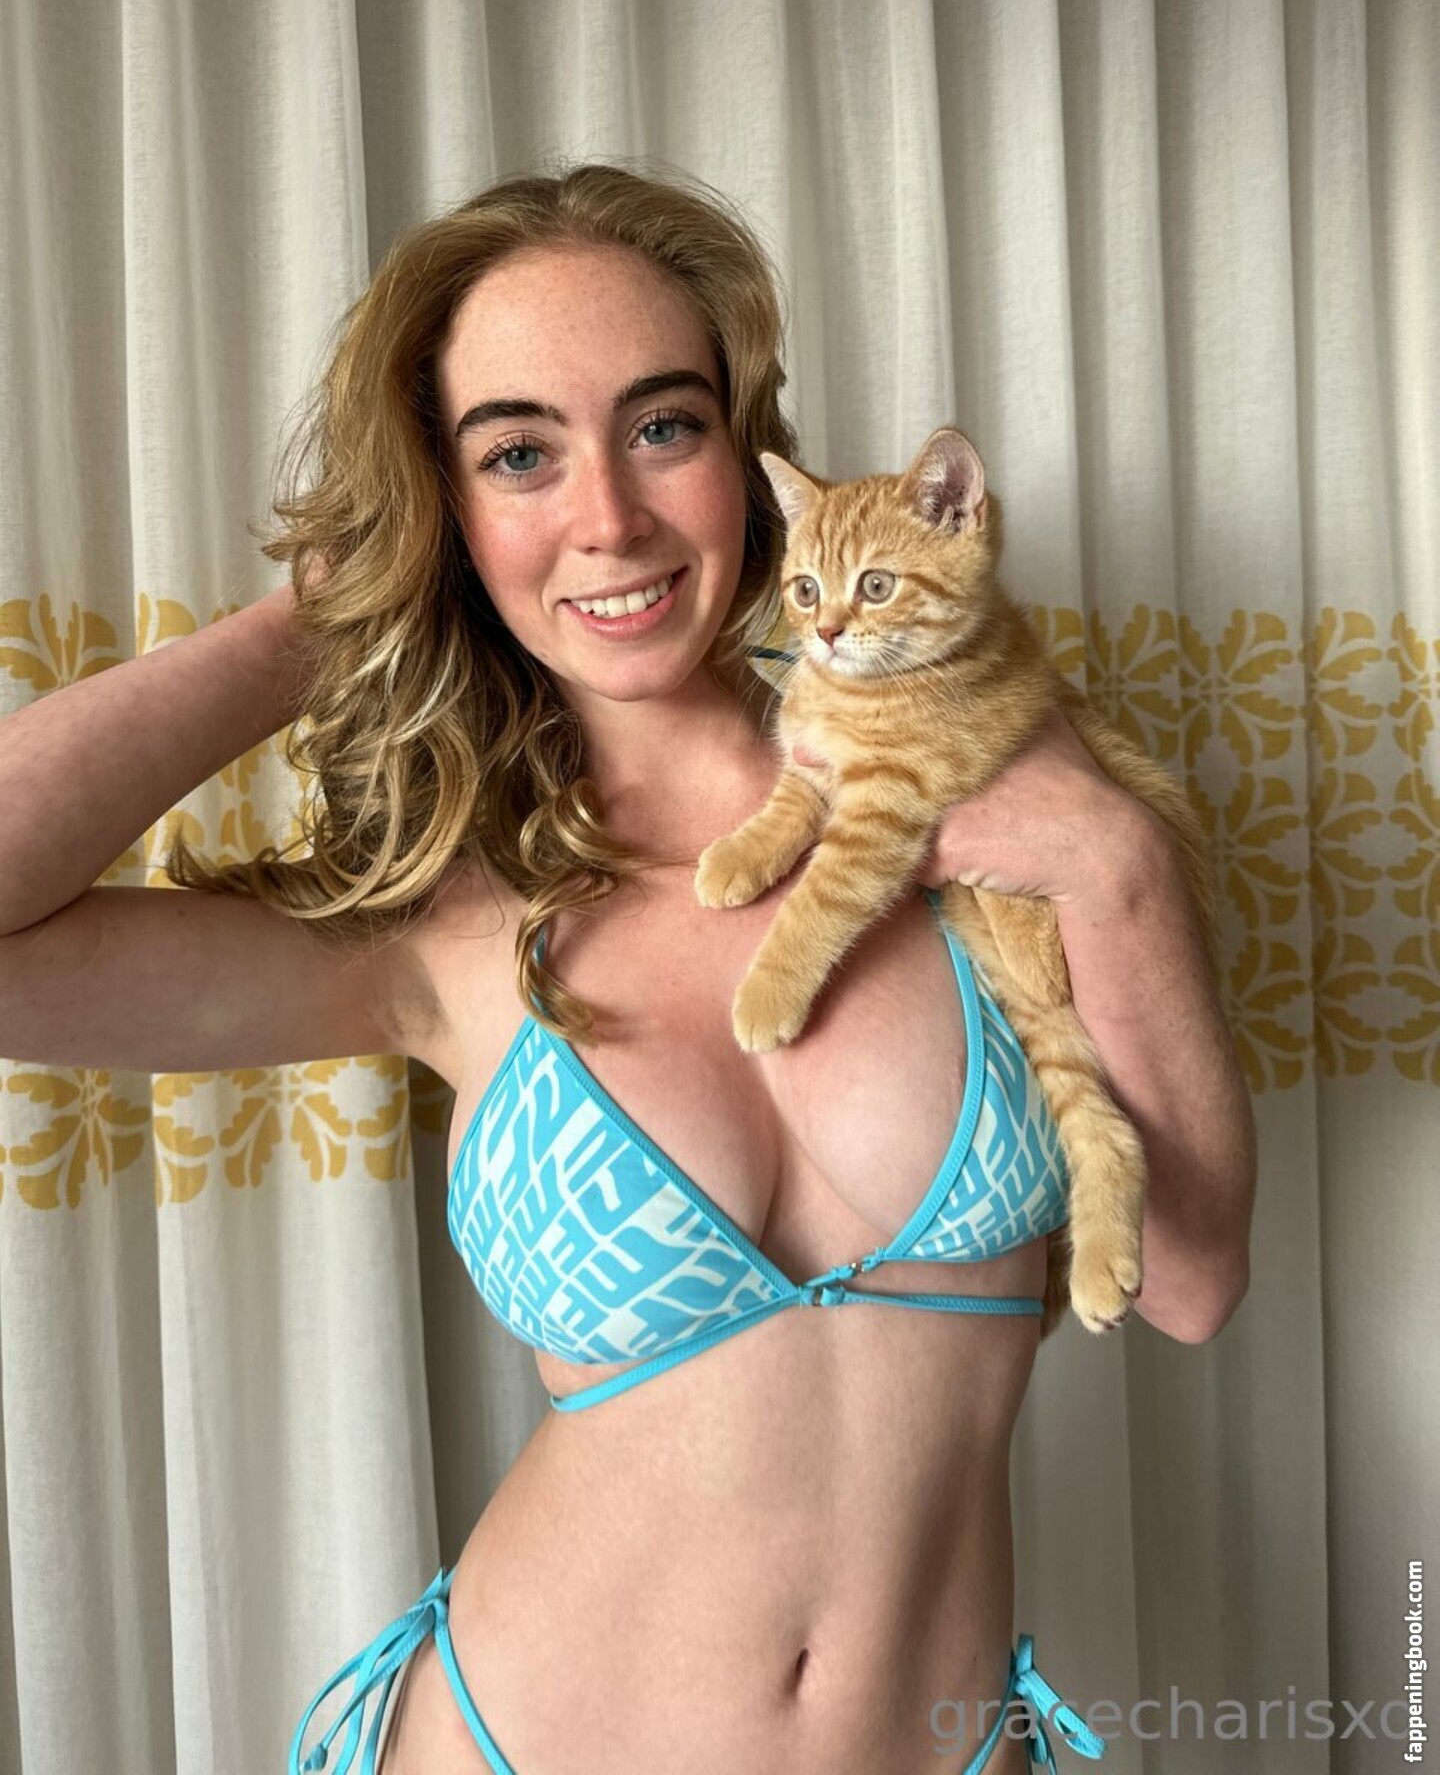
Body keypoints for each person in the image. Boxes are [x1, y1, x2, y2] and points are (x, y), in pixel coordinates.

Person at [0, 163, 1256, 1775]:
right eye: (517, 455)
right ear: (449, 512)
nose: (609, 517)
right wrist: (323, 617)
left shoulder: (993, 809)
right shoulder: (447, 923)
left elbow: (1194, 1281)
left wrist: (1118, 859)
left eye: (664, 426)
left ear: (744, 458)